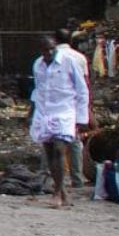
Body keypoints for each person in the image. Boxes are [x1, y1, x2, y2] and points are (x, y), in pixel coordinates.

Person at [29, 31, 89, 208]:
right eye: (45, 51)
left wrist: (82, 117)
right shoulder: (38, 65)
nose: (48, 53)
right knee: (49, 151)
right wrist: (32, 112)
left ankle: (57, 191)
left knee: (59, 148)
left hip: (65, 110)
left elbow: (82, 89)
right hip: (45, 110)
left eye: (51, 49)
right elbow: (38, 89)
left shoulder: (68, 61)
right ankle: (61, 190)